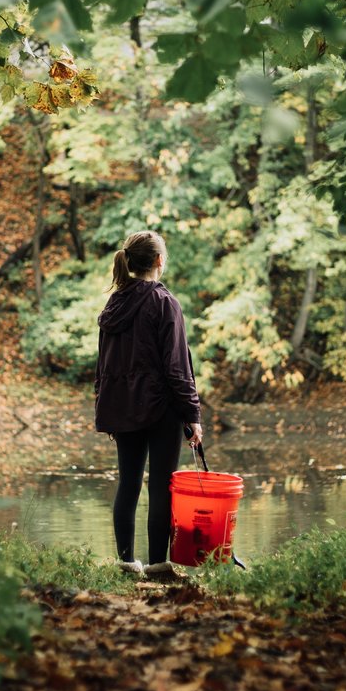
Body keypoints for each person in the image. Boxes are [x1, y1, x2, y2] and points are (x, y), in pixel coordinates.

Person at [94, 230, 203, 577]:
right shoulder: (164, 302)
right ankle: (158, 565)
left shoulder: (114, 304)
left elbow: (104, 364)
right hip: (160, 408)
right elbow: (177, 366)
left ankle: (126, 562)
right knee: (161, 485)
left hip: (123, 406)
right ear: (159, 261)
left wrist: (107, 407)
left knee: (128, 482)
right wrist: (192, 414)